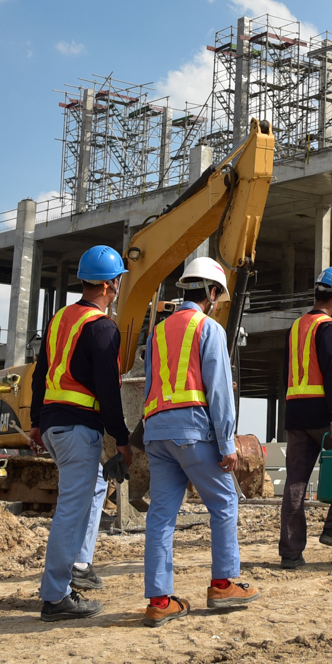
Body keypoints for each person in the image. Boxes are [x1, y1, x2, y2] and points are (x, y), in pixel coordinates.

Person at [139, 257, 257, 625]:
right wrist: (227, 444)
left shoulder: (156, 333)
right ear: (210, 291)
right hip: (193, 430)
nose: (217, 302)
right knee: (224, 503)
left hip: (156, 432)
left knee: (161, 517)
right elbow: (219, 392)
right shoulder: (208, 329)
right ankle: (222, 584)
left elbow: (148, 386)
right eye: (217, 296)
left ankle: (160, 603)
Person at [29, 244, 134, 621]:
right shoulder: (102, 327)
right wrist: (121, 439)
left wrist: (36, 422)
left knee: (89, 491)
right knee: (72, 510)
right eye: (119, 279)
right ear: (109, 285)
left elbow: (41, 374)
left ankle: (77, 568)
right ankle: (56, 595)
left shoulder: (60, 319)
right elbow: (108, 388)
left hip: (55, 425)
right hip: (77, 427)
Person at [276, 265, 332, 568]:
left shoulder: (297, 326)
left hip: (295, 412)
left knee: (296, 483)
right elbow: (331, 375)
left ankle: (291, 553)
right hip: (324, 411)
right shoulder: (330, 327)